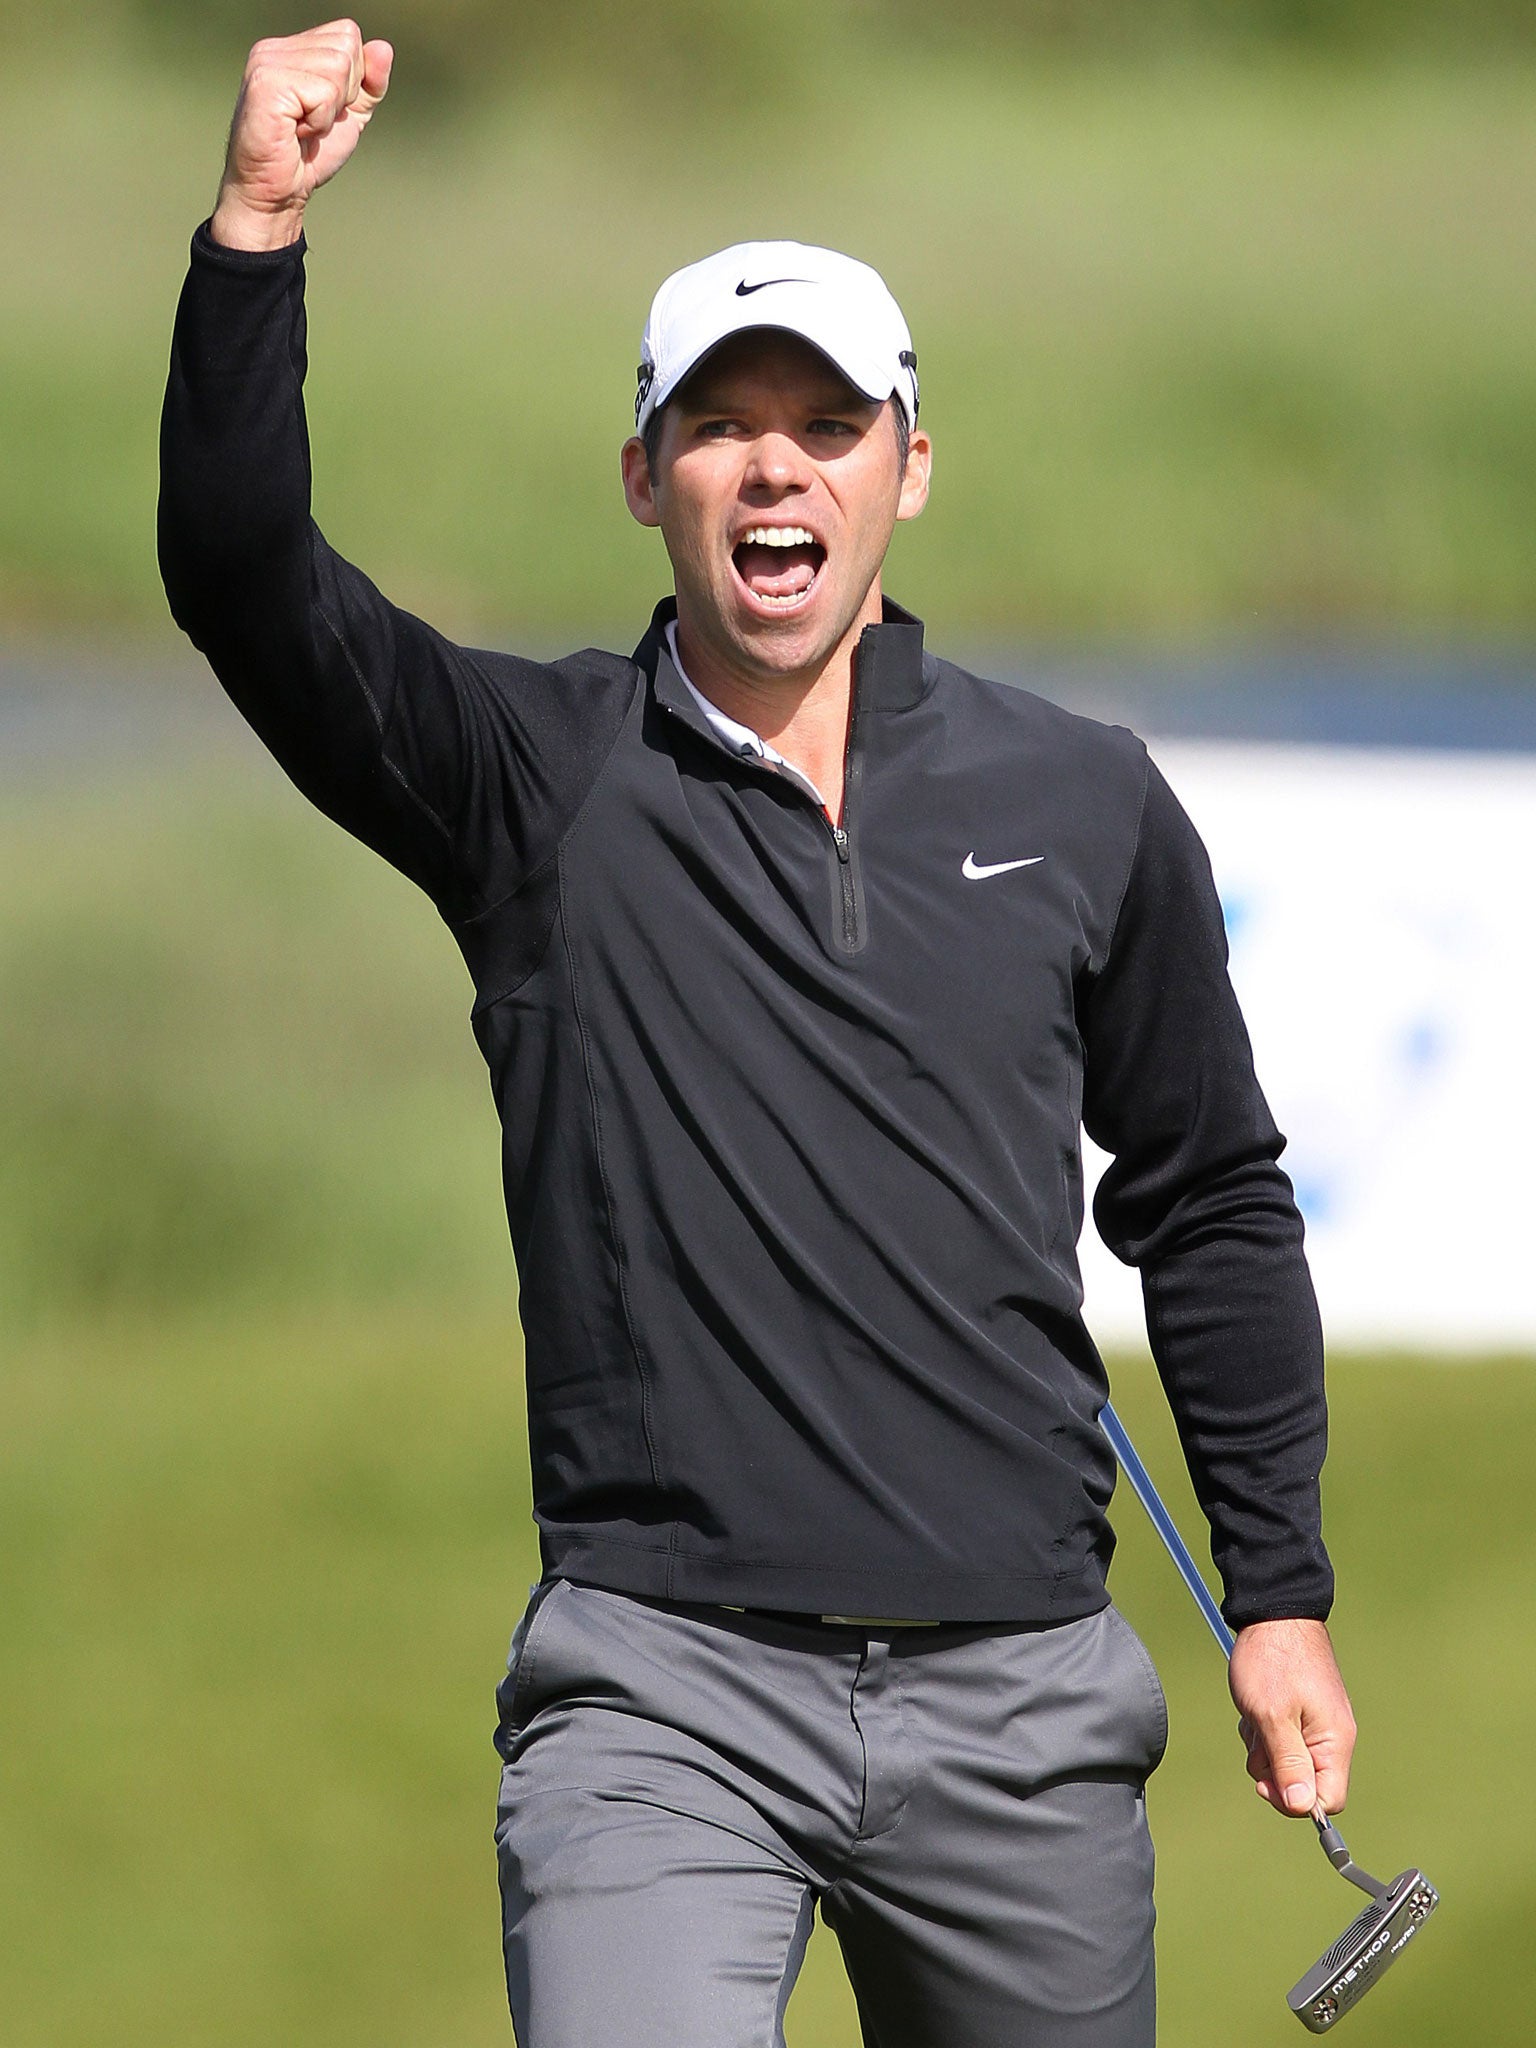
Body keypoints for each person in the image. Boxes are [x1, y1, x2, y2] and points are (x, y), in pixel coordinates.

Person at [158, 20, 1357, 2048]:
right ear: (648, 477)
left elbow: (1212, 1201)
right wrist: (256, 227)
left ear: (909, 465)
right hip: (660, 1695)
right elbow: (247, 582)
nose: (776, 461)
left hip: (1024, 1699)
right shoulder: (526, 782)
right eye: (721, 423)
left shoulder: (1082, 798)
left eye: (829, 418)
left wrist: (1280, 1587)